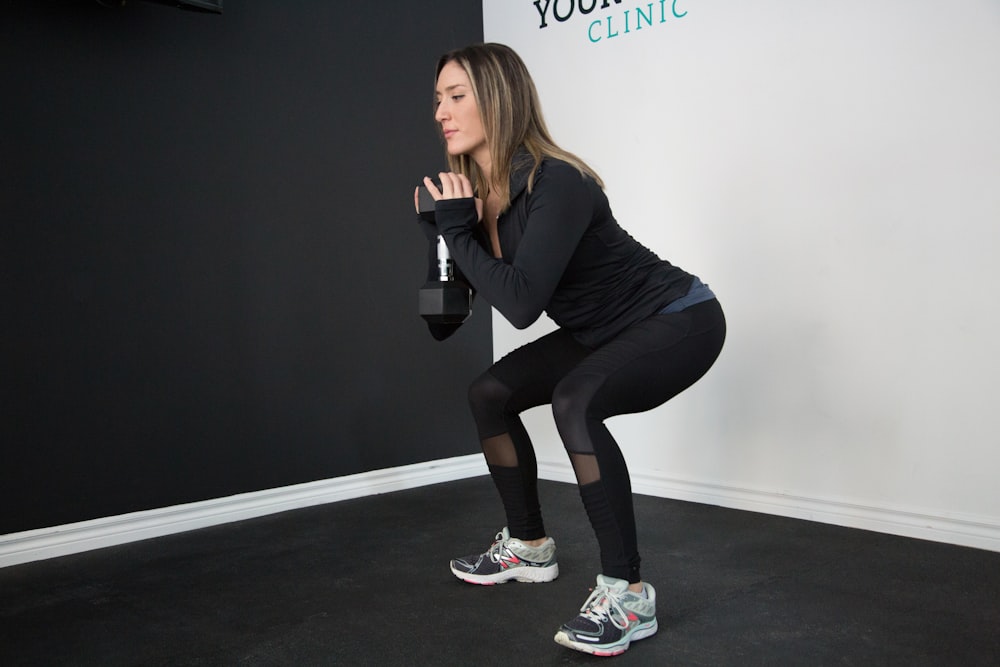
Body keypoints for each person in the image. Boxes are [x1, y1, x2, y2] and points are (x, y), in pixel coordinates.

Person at [413, 43, 726, 657]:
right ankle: (528, 545)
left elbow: (523, 304)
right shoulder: (476, 200)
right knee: (489, 394)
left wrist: (455, 228)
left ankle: (628, 594)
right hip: (600, 329)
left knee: (575, 402)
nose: (441, 113)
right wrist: (440, 237)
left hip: (677, 316)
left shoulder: (560, 181)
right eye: (438, 100)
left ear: (498, 100)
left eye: (456, 97)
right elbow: (443, 324)